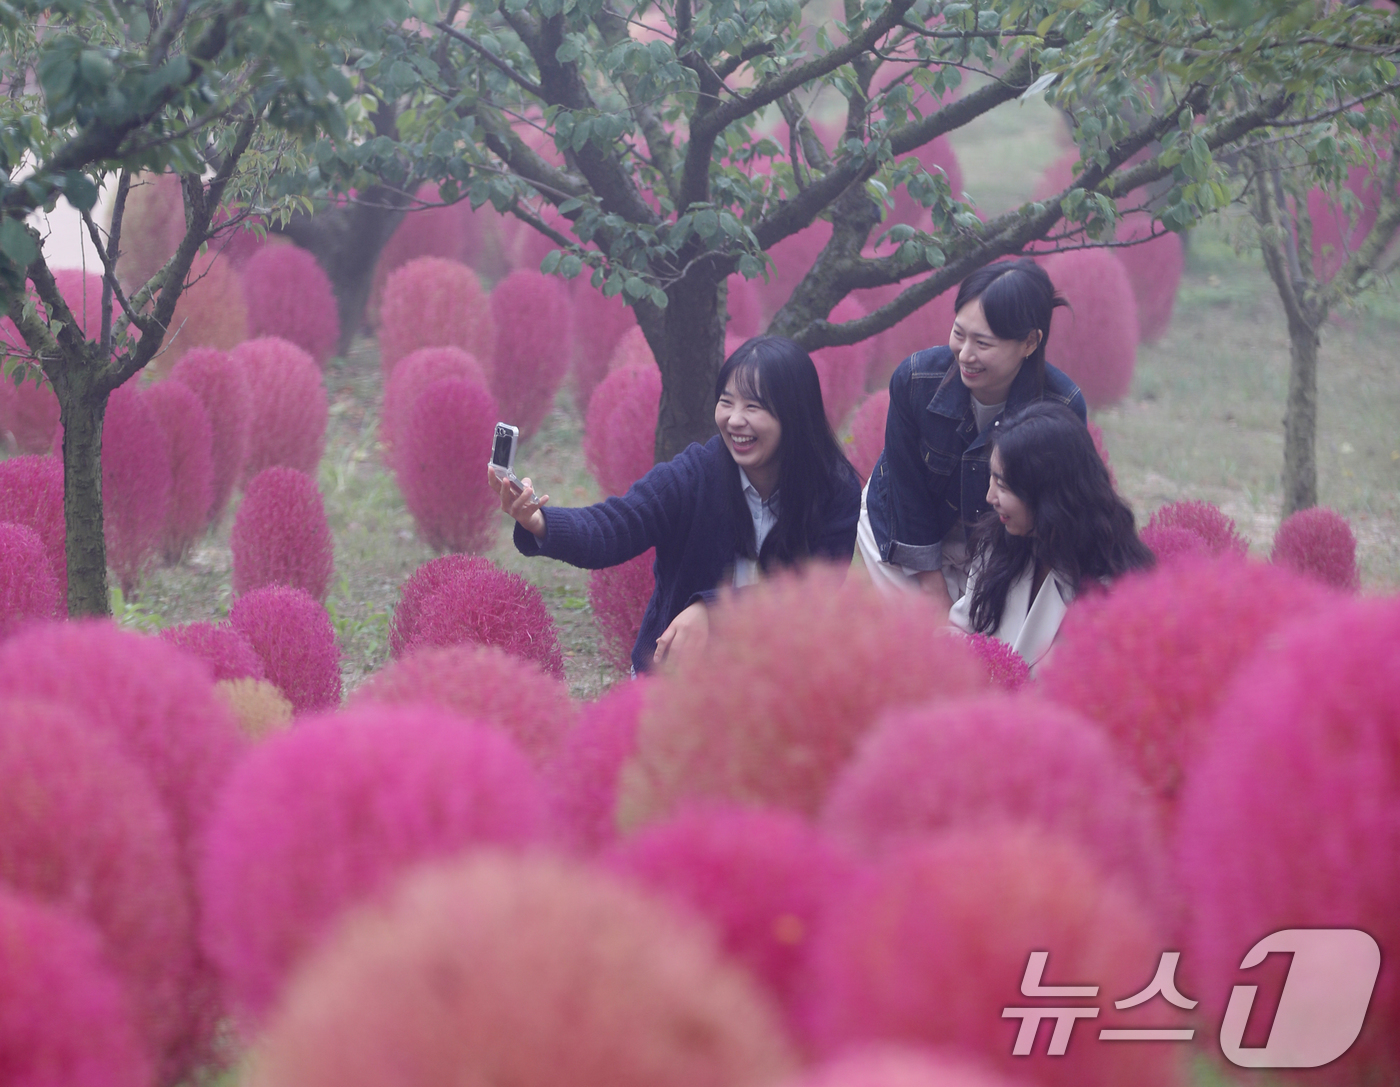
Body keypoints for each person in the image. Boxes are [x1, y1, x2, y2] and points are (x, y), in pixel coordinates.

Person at [488, 335, 862, 674]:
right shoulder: (694, 475)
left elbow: (810, 595)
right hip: (676, 676)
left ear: (795, 415)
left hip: (777, 679)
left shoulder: (833, 491)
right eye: (726, 402)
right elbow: (614, 526)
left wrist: (713, 612)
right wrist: (539, 521)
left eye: (754, 407)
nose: (734, 420)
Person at [859, 258, 1088, 610]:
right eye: (958, 334)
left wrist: (994, 584)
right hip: (905, 528)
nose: (965, 355)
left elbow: (1051, 515)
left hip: (1006, 544)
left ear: (1029, 342)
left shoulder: (1061, 406)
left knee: (986, 640)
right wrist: (930, 582)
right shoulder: (915, 380)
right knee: (926, 635)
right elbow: (905, 489)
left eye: (983, 343)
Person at [948, 401, 1155, 669]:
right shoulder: (998, 543)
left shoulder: (1114, 588)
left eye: (1003, 485)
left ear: (1050, 498)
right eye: (992, 478)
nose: (990, 497)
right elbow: (961, 628)